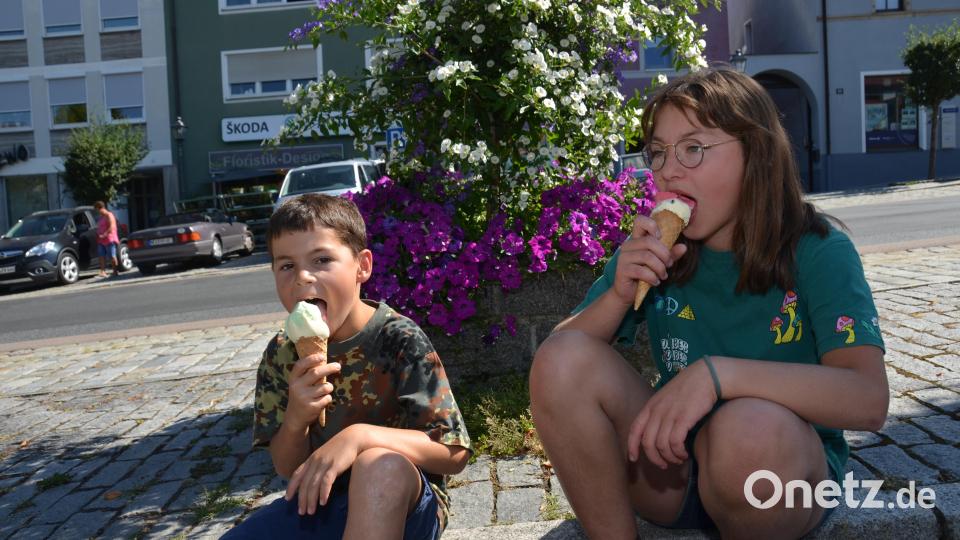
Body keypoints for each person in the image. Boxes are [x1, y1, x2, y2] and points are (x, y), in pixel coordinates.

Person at [530, 68, 888, 540]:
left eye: (693, 149)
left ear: (755, 154)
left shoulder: (818, 252)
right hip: (670, 473)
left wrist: (721, 375)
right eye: (658, 152)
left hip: (774, 469)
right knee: (560, 358)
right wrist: (619, 293)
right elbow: (561, 369)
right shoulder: (658, 247)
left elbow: (868, 400)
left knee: (747, 427)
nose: (668, 169)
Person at [224, 193, 472, 540]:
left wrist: (360, 438)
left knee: (378, 465)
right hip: (322, 505)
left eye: (322, 259)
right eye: (286, 266)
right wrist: (296, 418)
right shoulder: (282, 353)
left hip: (404, 506)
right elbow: (287, 467)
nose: (303, 278)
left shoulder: (397, 338)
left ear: (362, 267)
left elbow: (453, 452)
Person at [93, 201, 120, 277]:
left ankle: (115, 271)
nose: (97, 212)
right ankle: (103, 271)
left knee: (112, 256)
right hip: (101, 240)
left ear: (100, 208)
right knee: (101, 255)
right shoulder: (101, 217)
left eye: (97, 210)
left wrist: (104, 235)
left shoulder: (109, 215)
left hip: (109, 239)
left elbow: (112, 226)